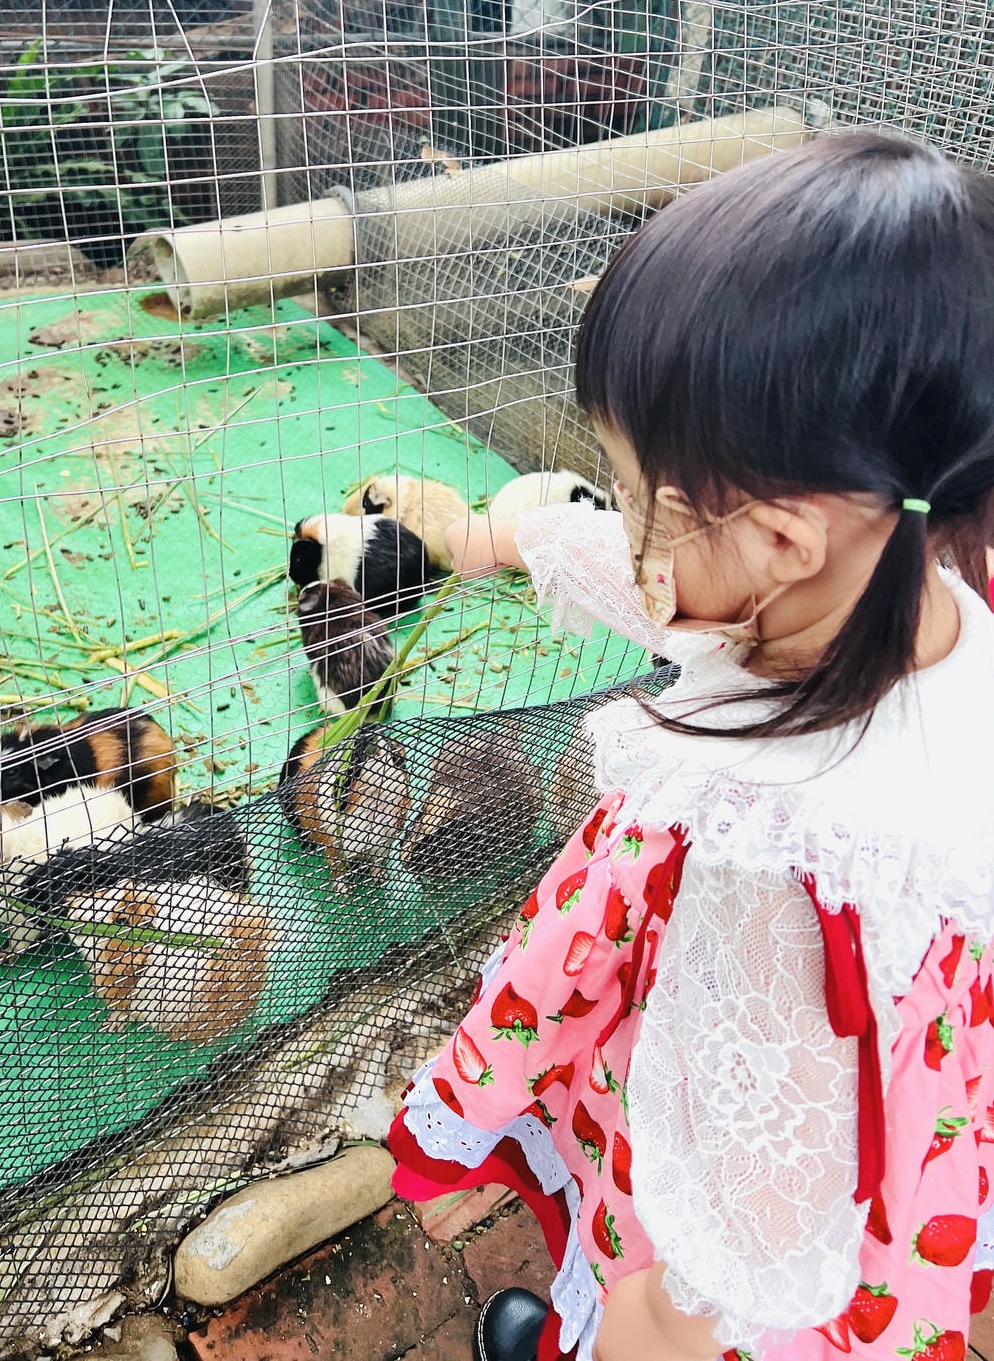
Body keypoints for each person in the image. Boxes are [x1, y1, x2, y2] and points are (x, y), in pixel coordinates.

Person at [387, 130, 994, 1361]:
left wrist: (643, 1326)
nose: (621, 518)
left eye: (625, 487)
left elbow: (747, 1207)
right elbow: (682, 595)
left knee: (660, 1288)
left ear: (779, 540)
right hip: (895, 1117)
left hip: (736, 1237)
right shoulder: (908, 591)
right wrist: (504, 534)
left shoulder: (780, 855)